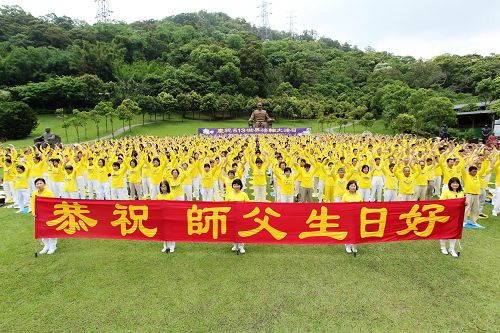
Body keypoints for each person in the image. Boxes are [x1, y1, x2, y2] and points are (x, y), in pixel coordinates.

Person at [31, 178, 57, 254]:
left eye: (40, 183)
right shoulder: (34, 193)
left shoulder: (49, 192)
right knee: (41, 230)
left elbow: (52, 203)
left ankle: (53, 246)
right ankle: (46, 245)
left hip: (48, 213)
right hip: (38, 215)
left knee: (50, 229)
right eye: (37, 184)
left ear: (44, 184)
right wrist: (34, 213)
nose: (39, 185)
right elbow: (32, 204)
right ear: (35, 185)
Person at [439, 177, 463, 258]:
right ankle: (443, 247)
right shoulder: (446, 192)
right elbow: (441, 203)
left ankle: (451, 249)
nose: (455, 184)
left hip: (457, 216)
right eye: (453, 183)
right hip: (447, 215)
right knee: (445, 231)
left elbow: (462, 203)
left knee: (455, 232)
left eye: (457, 183)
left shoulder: (461, 193)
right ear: (450, 184)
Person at [226, 179, 250, 253]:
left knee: (241, 230)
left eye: (238, 185)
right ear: (233, 186)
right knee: (233, 230)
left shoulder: (244, 194)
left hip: (241, 216)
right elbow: (226, 204)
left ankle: (241, 246)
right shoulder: (229, 194)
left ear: (240, 186)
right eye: (235, 185)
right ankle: (234, 245)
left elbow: (248, 204)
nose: (236, 186)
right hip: (232, 215)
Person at [341, 180, 363, 254]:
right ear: (348, 187)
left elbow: (361, 205)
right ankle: (347, 245)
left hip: (356, 216)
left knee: (356, 231)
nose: (353, 187)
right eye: (351, 186)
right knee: (348, 230)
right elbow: (342, 205)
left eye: (354, 186)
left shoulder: (359, 195)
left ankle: (354, 245)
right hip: (348, 216)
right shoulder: (345, 195)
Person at [156, 180, 176, 253]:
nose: (163, 188)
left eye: (164, 186)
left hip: (170, 215)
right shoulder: (158, 196)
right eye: (162, 187)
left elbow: (173, 205)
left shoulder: (171, 195)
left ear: (167, 187)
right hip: (162, 216)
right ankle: (165, 246)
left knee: (171, 231)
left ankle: (172, 246)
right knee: (163, 231)